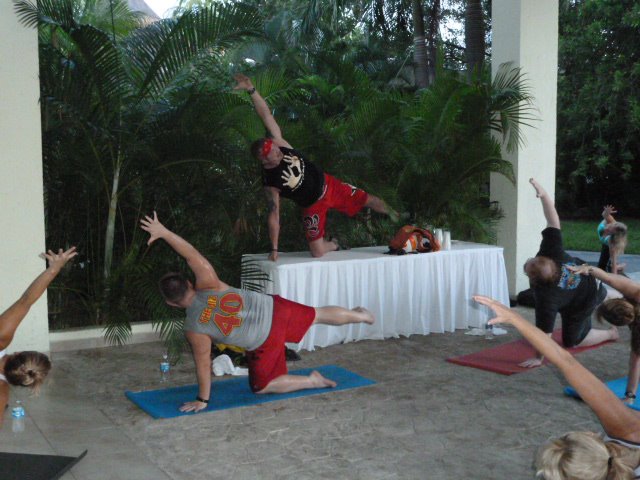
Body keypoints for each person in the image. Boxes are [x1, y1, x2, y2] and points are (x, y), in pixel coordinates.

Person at [140, 212, 375, 412]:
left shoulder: (194, 329)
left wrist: (203, 400)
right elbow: (190, 253)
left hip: (264, 340)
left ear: (171, 304)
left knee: (262, 387)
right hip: (275, 308)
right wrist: (164, 232)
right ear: (189, 283)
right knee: (318, 314)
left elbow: (203, 365)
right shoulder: (209, 282)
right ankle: (361, 316)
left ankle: (312, 381)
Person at [233, 73, 399, 260]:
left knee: (367, 199)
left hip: (330, 186)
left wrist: (251, 89)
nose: (278, 151)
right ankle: (334, 244)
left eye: (275, 148)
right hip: (312, 206)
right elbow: (274, 214)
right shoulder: (271, 182)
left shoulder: (279, 143)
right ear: (264, 161)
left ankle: (398, 216)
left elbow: (266, 115)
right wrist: (274, 249)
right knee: (317, 252)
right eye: (273, 153)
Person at [474, 295, 640, 480]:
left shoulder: (625, 429)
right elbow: (565, 362)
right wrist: (515, 319)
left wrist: (515, 318)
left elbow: (566, 361)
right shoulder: (627, 428)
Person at [521, 178, 617, 368]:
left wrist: (538, 358)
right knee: (603, 293)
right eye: (531, 261)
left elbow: (545, 334)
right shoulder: (552, 251)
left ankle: (611, 333)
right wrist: (544, 195)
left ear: (534, 279)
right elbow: (553, 219)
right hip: (589, 282)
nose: (530, 259)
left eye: (529, 264)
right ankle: (607, 295)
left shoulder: (546, 297)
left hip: (582, 303)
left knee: (572, 342)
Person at [0, 247, 77, 427]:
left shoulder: (2, 336)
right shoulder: (2, 392)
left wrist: (54, 268)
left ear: (18, 352)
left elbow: (26, 301)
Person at [568, 263, 640, 405]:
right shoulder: (634, 292)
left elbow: (635, 362)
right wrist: (588, 268)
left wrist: (630, 396)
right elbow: (608, 278)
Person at [597, 205, 628, 274]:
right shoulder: (612, 221)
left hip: (607, 244)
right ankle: (619, 266)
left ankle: (619, 267)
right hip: (604, 243)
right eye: (609, 225)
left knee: (602, 268)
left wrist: (615, 278)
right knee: (604, 265)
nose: (607, 227)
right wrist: (607, 211)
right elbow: (604, 214)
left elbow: (613, 260)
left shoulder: (611, 243)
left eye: (609, 230)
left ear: (613, 234)